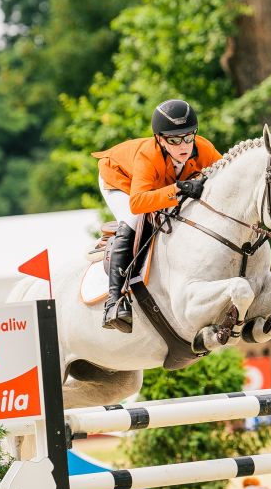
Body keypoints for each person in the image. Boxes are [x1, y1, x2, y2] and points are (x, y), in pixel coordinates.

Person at [92, 99, 222, 333]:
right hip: (119, 179)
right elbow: (138, 202)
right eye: (174, 140)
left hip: (155, 185)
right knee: (133, 220)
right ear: (160, 139)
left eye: (188, 137)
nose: (183, 145)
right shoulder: (148, 155)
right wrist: (179, 189)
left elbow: (225, 178)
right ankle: (114, 301)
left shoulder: (204, 149)